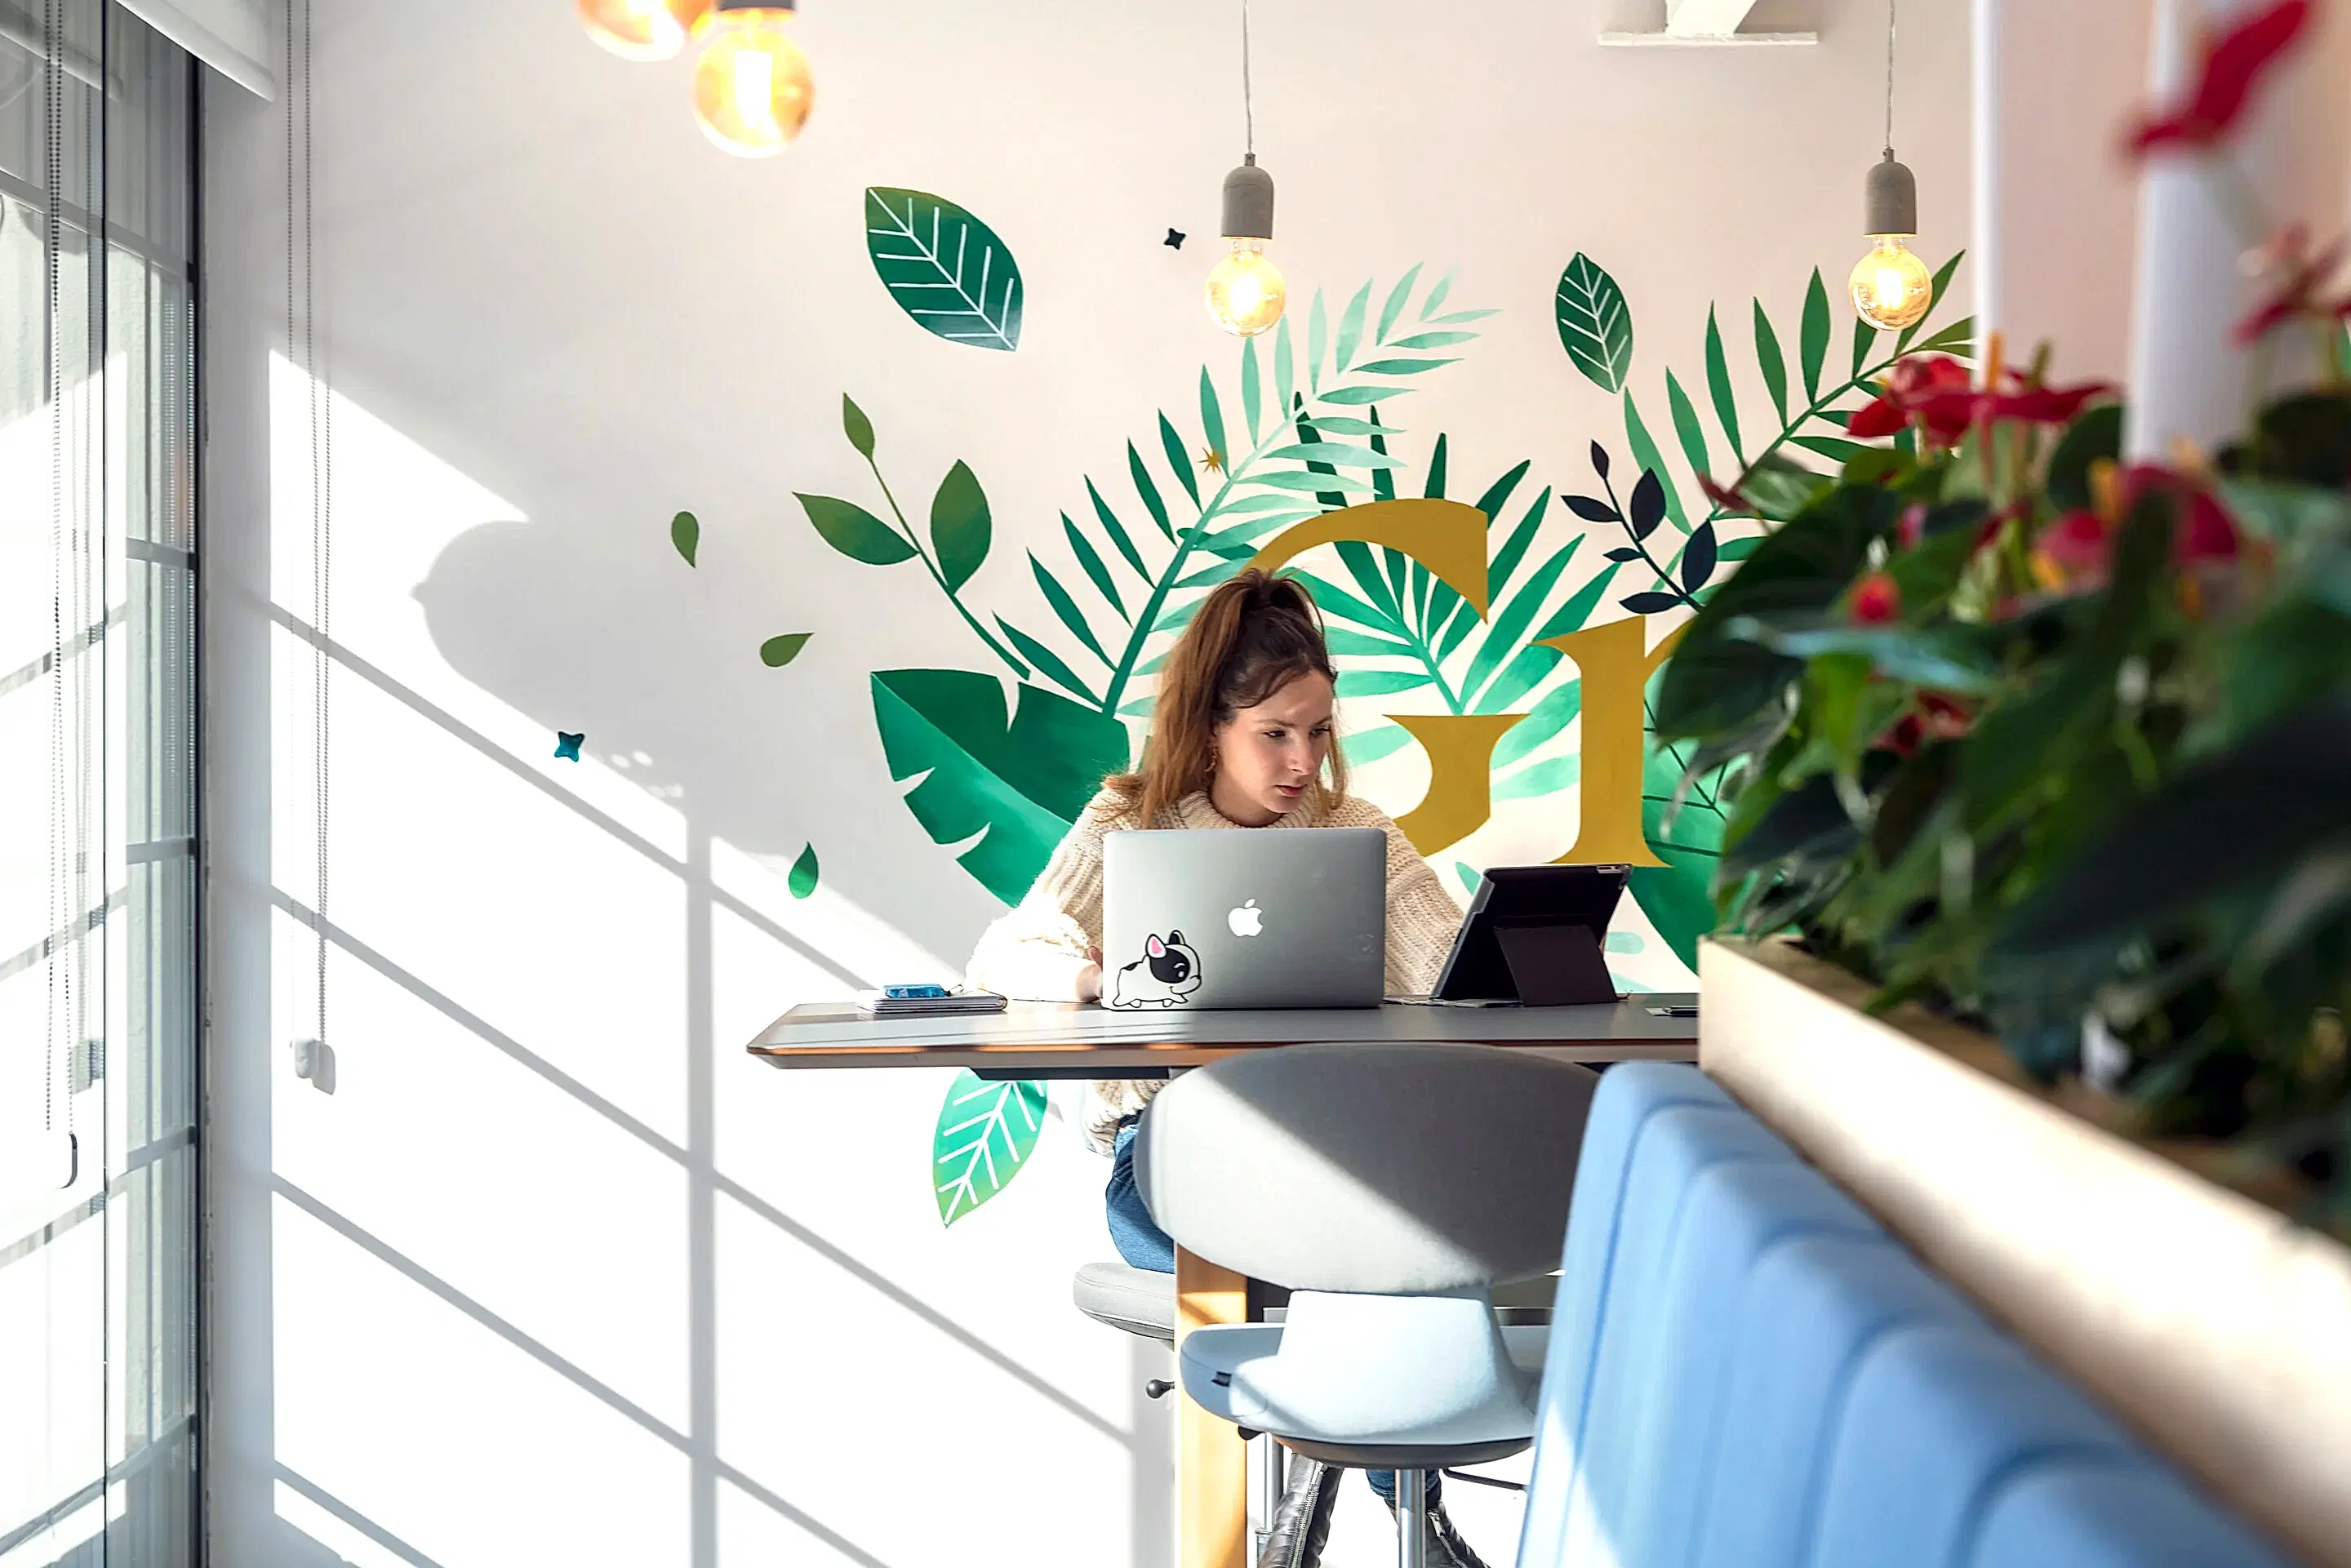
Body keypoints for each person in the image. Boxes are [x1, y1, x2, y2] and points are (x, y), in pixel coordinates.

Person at [967, 570, 1490, 1568]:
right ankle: (1406, 1518)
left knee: (1364, 1266)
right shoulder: (1129, 826)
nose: (1303, 760)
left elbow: (1450, 968)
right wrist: (1095, 976)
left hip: (1329, 1171)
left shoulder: (1356, 833)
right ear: (1211, 726)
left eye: (1319, 731)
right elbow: (1003, 954)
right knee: (1367, 1282)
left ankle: (1327, 1513)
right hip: (1172, 1173)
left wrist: (1495, 958)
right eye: (1275, 733)